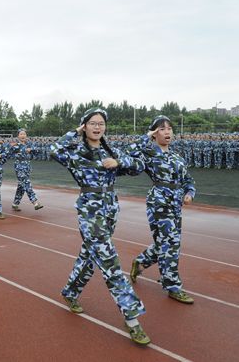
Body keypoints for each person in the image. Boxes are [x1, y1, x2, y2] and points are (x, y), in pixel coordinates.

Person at [51, 108, 150, 345]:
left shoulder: (110, 151)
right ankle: (132, 317)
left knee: (89, 257)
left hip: (110, 210)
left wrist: (118, 161)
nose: (98, 127)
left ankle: (70, 292)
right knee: (110, 262)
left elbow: (138, 165)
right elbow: (53, 149)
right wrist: (73, 132)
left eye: (101, 124)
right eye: (92, 123)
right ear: (84, 126)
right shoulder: (75, 153)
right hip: (90, 211)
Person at [130, 116, 196, 304]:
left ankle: (141, 261)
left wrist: (189, 193)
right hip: (159, 204)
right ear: (154, 133)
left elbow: (188, 180)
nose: (167, 132)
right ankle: (173, 287)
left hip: (176, 205)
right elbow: (128, 152)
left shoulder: (177, 157)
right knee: (170, 245)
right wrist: (146, 136)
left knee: (166, 243)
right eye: (161, 129)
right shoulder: (148, 154)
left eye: (169, 128)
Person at [8, 128, 43, 211]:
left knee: (21, 186)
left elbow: (39, 151)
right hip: (19, 167)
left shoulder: (29, 144)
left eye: (24, 134)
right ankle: (35, 202)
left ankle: (15, 203)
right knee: (26, 183)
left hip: (27, 167)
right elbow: (7, 151)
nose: (23, 135)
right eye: (21, 134)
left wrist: (31, 149)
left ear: (26, 135)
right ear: (18, 136)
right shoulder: (16, 146)